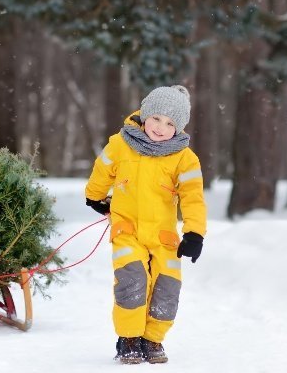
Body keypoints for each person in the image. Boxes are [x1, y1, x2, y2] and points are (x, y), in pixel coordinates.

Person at [84, 85, 207, 364]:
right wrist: (95, 197)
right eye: (156, 118)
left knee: (168, 284)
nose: (161, 128)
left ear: (179, 128)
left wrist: (194, 233)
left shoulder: (184, 158)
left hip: (164, 236)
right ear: (144, 115)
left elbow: (193, 198)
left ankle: (153, 338)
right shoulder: (121, 144)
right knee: (132, 279)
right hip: (127, 230)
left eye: (170, 123)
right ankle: (128, 337)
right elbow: (102, 169)